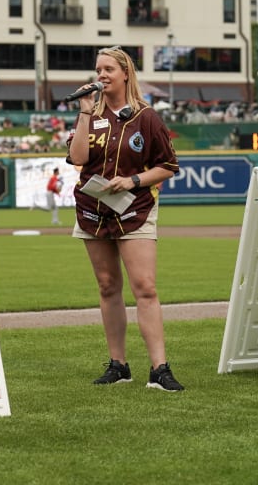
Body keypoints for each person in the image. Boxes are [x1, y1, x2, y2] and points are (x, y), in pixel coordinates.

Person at [67, 46, 184, 392]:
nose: (101, 75)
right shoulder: (91, 112)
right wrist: (85, 113)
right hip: (93, 208)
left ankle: (159, 369)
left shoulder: (146, 117)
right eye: (98, 69)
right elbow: (77, 158)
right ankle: (118, 365)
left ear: (125, 74)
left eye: (108, 69)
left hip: (135, 208)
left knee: (145, 287)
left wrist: (132, 180)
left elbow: (168, 166)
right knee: (107, 286)